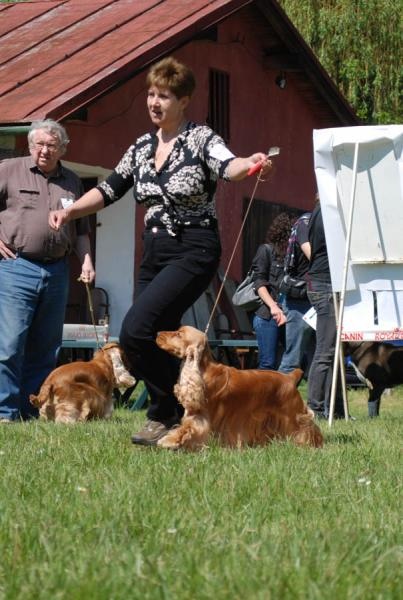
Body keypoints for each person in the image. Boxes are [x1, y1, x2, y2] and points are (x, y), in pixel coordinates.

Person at [48, 56, 273, 445]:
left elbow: (229, 165)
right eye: (151, 94)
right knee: (150, 338)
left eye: (164, 96)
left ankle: (165, 411)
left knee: (136, 329)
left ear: (184, 100)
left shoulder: (201, 139)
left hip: (194, 247)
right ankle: (187, 414)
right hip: (154, 250)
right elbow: (109, 189)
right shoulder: (140, 148)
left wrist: (251, 164)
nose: (154, 102)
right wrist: (70, 211)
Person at [0, 119, 95, 423]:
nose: (44, 150)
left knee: (46, 348)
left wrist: (86, 260)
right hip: (17, 267)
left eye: (51, 145)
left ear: (62, 148)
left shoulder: (72, 181)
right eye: (39, 144)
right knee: (10, 344)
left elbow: (81, 230)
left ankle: (32, 410)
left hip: (57, 271)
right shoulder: (9, 170)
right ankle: (5, 412)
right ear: (30, 146)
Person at [305, 199, 345, 419]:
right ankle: (316, 408)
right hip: (325, 284)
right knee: (325, 352)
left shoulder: (317, 212)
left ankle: (331, 408)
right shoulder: (326, 214)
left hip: (323, 283)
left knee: (329, 351)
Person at [251, 213, 291, 369]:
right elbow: (259, 282)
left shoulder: (294, 257)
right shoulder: (266, 251)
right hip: (268, 315)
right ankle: (261, 394)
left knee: (296, 361)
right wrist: (273, 307)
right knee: (267, 363)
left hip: (289, 314)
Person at [278, 211, 315, 375]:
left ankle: (319, 401)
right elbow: (313, 255)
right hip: (301, 299)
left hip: (318, 295)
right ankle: (277, 400)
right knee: (292, 360)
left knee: (321, 357)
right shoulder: (305, 223)